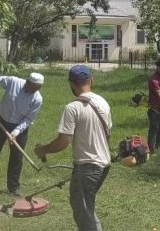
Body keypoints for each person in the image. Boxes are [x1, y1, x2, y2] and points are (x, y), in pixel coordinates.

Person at [35, 65, 112, 231]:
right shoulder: (103, 103)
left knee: (84, 215)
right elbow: (108, 133)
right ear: (91, 80)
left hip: (87, 169)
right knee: (87, 208)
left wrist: (43, 149)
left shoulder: (72, 108)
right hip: (104, 165)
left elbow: (63, 142)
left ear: (71, 84)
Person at [0, 72, 44, 197]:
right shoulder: (14, 82)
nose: (33, 90)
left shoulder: (37, 99)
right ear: (27, 82)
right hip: (1, 122)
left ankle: (13, 187)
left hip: (19, 128)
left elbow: (29, 119)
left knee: (17, 157)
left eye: (37, 88)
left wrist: (15, 132)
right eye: (32, 87)